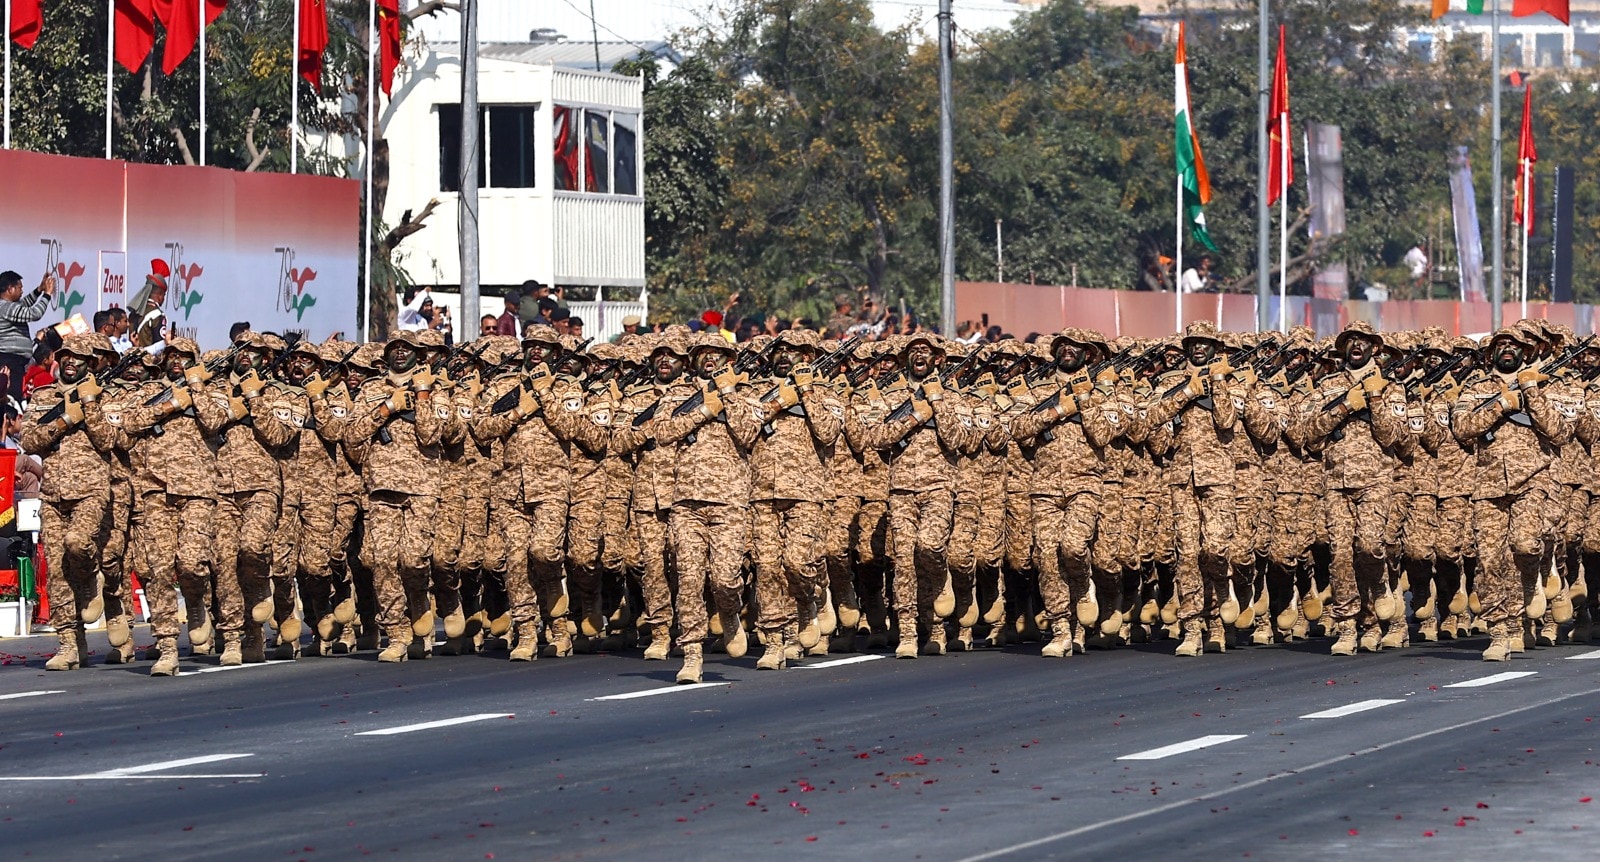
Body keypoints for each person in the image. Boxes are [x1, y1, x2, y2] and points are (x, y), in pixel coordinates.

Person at [0, 270, 55, 401]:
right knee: (12, 398)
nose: (22, 291)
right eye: (20, 288)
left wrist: (39, 290)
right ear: (10, 289)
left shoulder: (9, 306)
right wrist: (47, 294)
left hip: (15, 361)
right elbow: (34, 313)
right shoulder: (6, 308)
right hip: (10, 360)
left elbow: (24, 304)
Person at [130, 260, 169, 349]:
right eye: (163, 294)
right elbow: (159, 345)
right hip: (149, 360)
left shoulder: (134, 312)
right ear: (159, 295)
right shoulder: (157, 315)